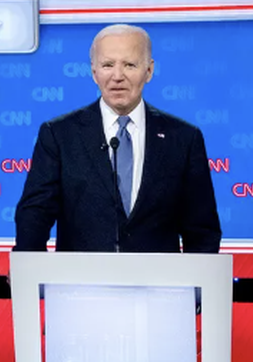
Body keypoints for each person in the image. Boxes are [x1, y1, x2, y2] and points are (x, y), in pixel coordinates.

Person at [12, 23, 220, 253]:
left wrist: (197, 282)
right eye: (108, 65)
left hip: (161, 285)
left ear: (149, 71)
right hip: (80, 283)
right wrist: (29, 270)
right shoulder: (59, 135)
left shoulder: (183, 138)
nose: (117, 76)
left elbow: (202, 230)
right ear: (94, 72)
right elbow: (35, 215)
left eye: (129, 65)